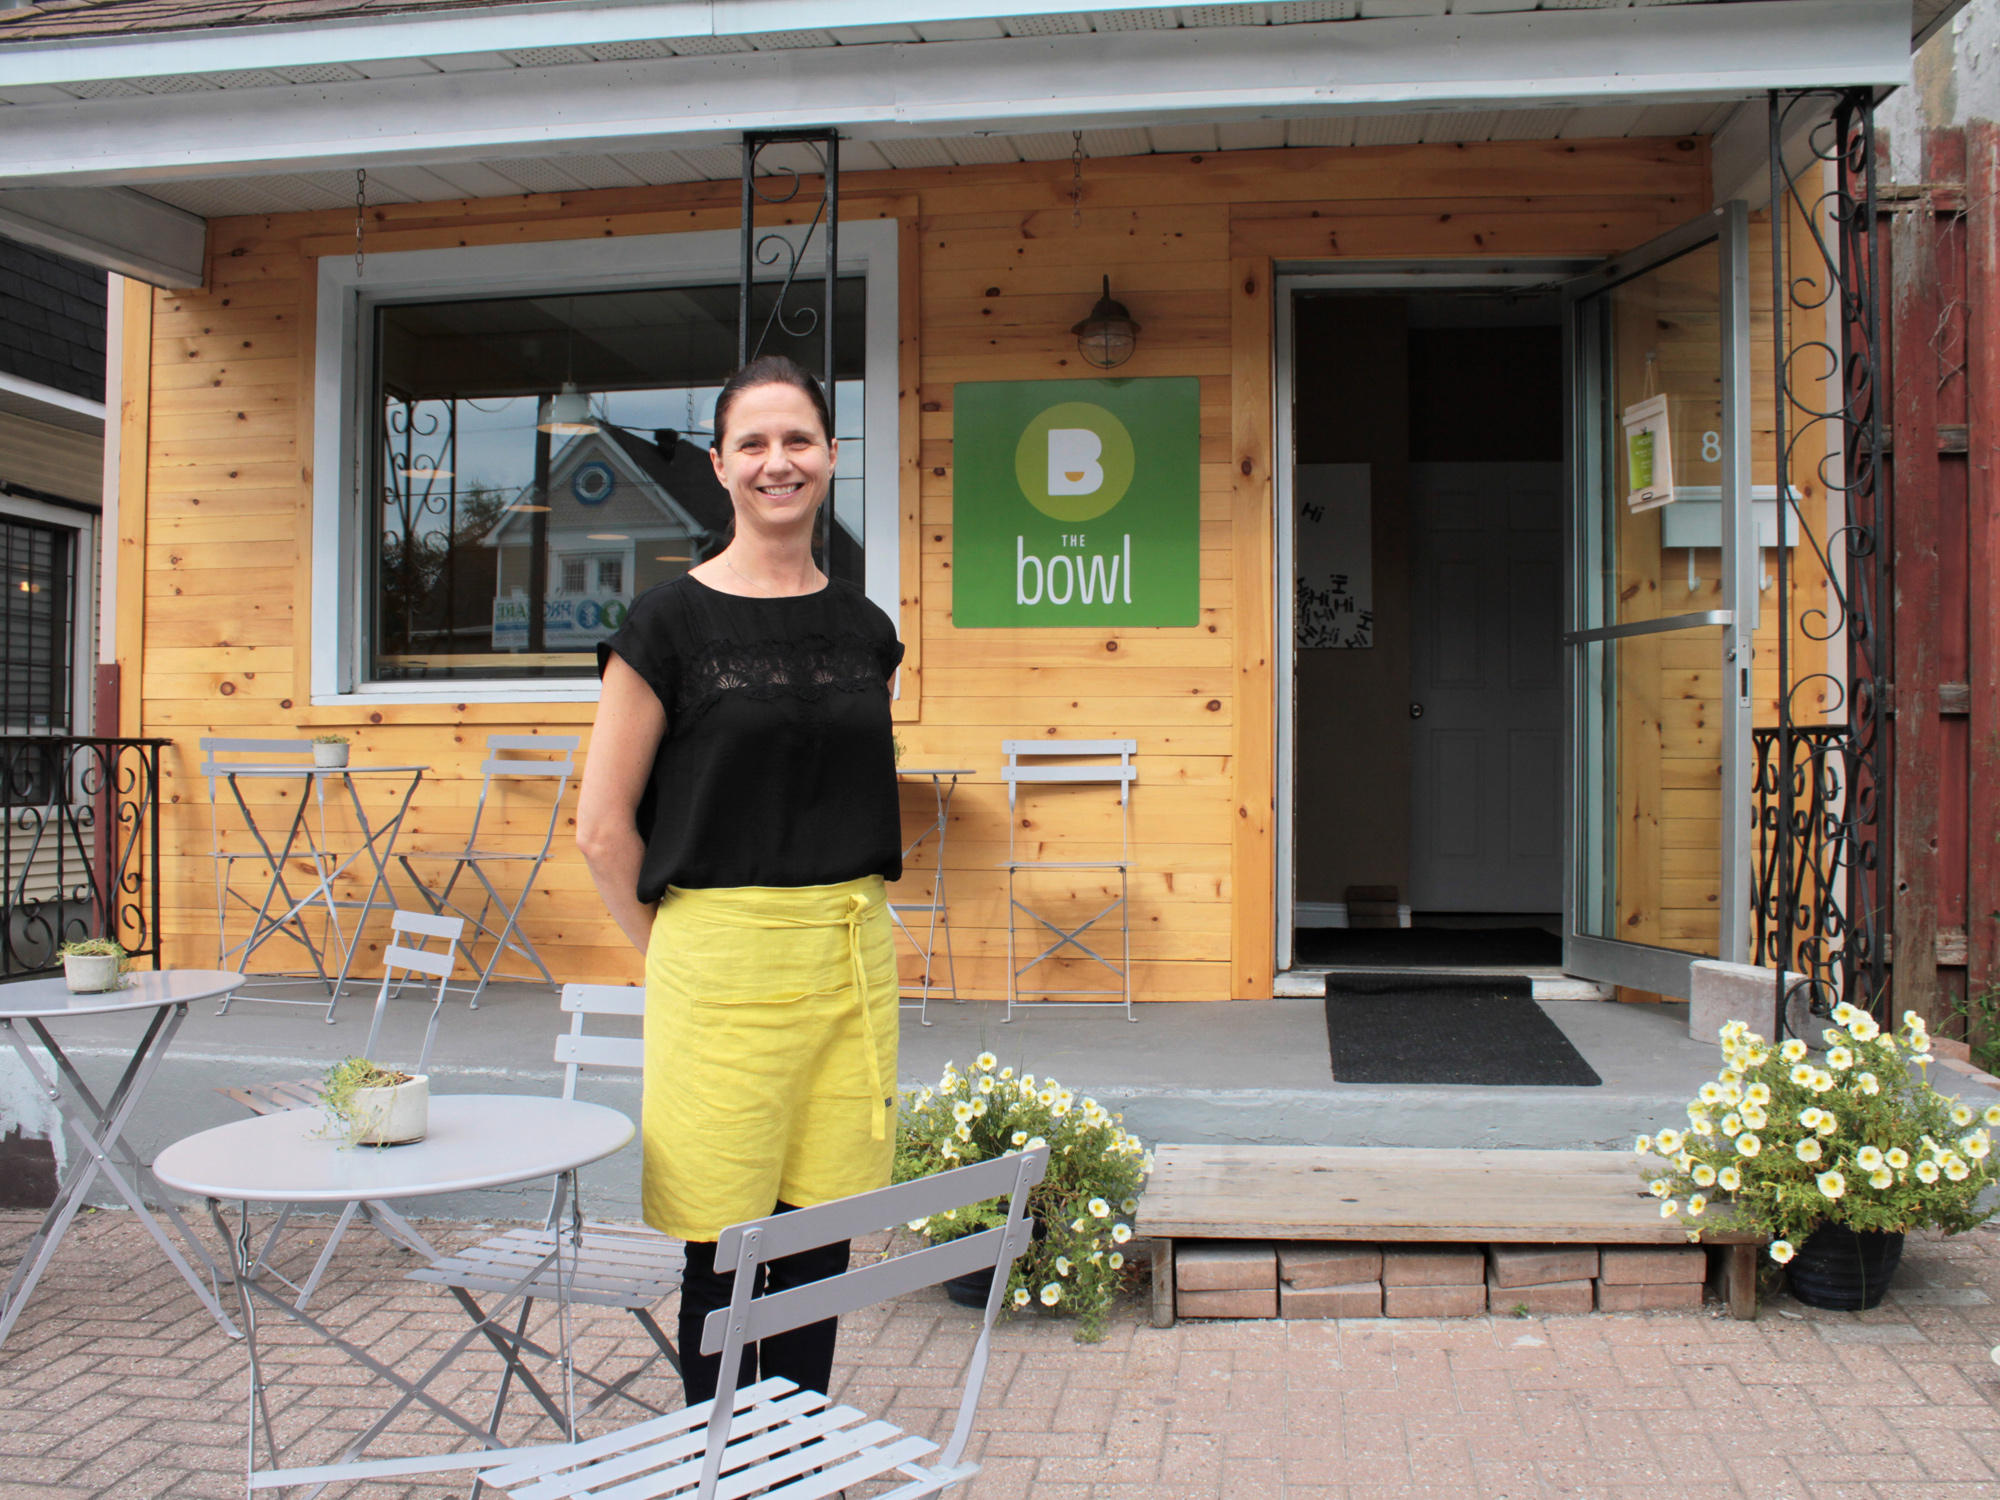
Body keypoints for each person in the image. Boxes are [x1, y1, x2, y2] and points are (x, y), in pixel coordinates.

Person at [575, 354, 904, 1406]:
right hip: (715, 962)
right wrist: (669, 953)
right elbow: (599, 828)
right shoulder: (665, 626)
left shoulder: (864, 629)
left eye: (797, 439)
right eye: (753, 443)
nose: (777, 461)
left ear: (831, 457)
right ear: (718, 466)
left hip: (848, 959)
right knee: (723, 1244)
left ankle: (794, 1454)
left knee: (818, 1237)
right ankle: (723, 1465)